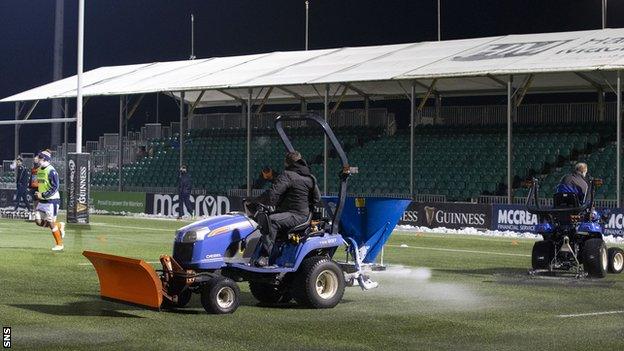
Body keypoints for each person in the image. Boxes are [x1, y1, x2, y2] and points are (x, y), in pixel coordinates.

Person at [250, 151, 321, 267]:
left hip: (294, 215)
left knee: (270, 221)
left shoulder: (287, 175)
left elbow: (272, 195)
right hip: (303, 215)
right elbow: (317, 198)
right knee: (270, 217)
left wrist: (254, 200)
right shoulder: (310, 177)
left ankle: (266, 256)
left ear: (286, 163)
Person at [33, 150, 65, 251]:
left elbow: (55, 187)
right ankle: (59, 225)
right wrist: (38, 193)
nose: (38, 159)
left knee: (51, 223)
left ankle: (59, 244)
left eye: (40, 157)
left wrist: (42, 195)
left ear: (45, 159)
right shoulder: (39, 170)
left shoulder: (52, 171)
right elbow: (40, 184)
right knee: (38, 221)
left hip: (52, 200)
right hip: (42, 200)